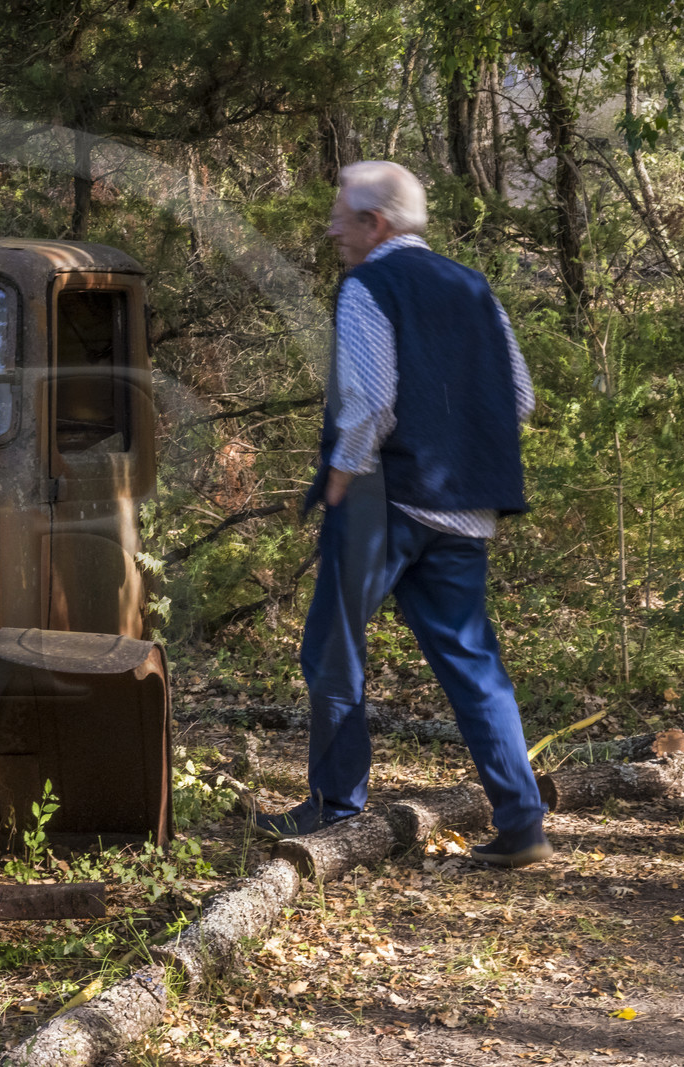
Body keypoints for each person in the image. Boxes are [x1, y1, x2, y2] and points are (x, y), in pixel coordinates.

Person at [252, 161, 550, 869]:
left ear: (373, 224)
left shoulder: (367, 286)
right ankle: (522, 822)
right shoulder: (473, 286)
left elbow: (373, 401)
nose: (331, 229)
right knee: (474, 666)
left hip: (384, 501)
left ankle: (334, 804)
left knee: (333, 647)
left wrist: (338, 478)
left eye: (340, 217)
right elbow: (520, 398)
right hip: (464, 508)